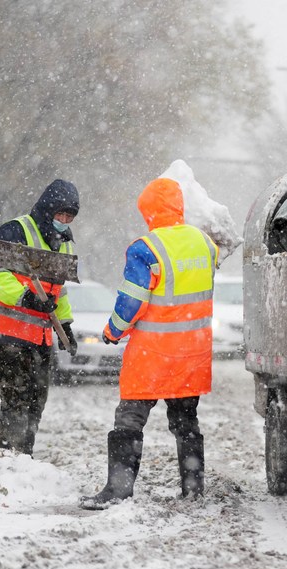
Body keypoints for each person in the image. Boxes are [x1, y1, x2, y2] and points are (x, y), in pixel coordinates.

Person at [79, 176, 218, 510]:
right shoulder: (206, 243)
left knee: (129, 419)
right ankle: (193, 487)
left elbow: (132, 300)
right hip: (193, 351)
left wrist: (113, 331)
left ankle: (119, 489)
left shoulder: (146, 248)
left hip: (153, 353)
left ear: (150, 211)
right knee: (186, 422)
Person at [0, 179, 80, 456]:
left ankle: (25, 457)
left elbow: (59, 290)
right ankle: (9, 458)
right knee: (15, 400)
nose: (64, 220)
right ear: (47, 209)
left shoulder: (65, 243)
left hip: (40, 336)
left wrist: (66, 326)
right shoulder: (16, 230)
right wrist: (25, 297)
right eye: (60, 214)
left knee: (37, 400)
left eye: (69, 216)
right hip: (8, 332)